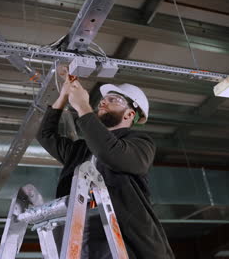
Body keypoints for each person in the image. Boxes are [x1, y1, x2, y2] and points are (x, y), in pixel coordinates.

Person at [36, 75, 175, 259]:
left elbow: (110, 152)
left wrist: (83, 107)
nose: (103, 103)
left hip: (126, 243)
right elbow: (45, 135)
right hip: (83, 240)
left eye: (113, 100)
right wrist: (63, 96)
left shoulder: (140, 143)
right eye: (103, 99)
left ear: (129, 114)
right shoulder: (81, 151)